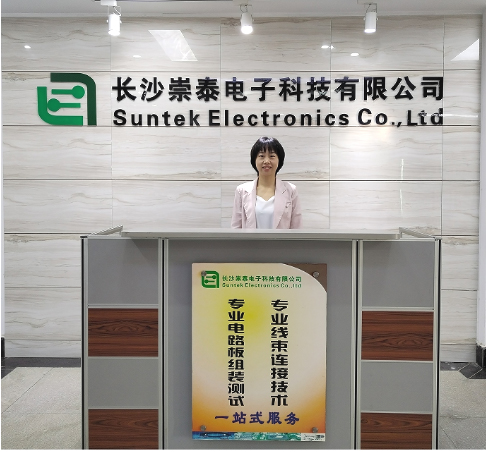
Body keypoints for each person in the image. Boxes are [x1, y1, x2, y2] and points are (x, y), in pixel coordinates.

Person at [231, 136, 302, 229]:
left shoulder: (291, 190)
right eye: (261, 156)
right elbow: (236, 228)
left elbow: (297, 229)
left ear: (279, 160)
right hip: (250, 239)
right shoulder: (242, 190)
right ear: (254, 160)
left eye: (272, 156)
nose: (267, 161)